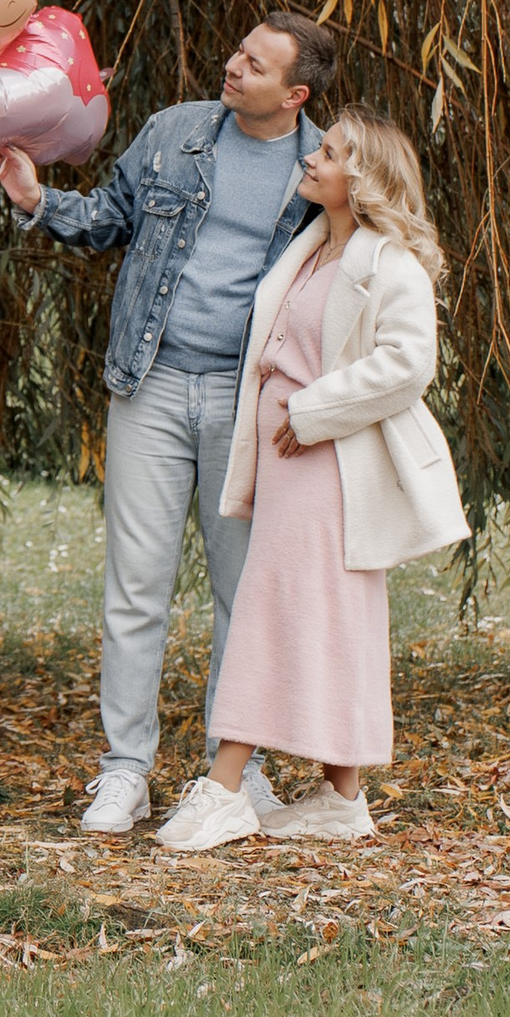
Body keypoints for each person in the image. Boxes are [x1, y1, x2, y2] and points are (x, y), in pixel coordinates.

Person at [0, 12, 337, 836]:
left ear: (294, 94)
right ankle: (125, 773)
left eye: (255, 65)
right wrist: (36, 199)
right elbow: (112, 218)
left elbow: (358, 278)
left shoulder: (327, 167)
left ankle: (237, 770)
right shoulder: (174, 132)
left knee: (242, 594)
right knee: (135, 586)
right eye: (237, 50)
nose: (233, 66)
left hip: (248, 400)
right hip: (148, 384)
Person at [154, 107, 469, 850]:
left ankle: (225, 787)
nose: (312, 159)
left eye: (328, 153)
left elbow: (406, 365)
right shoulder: (312, 249)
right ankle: (341, 794)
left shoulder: (387, 263)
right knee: (332, 615)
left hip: (327, 467)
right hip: (291, 462)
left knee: (271, 606)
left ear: (361, 179)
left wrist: (311, 408)